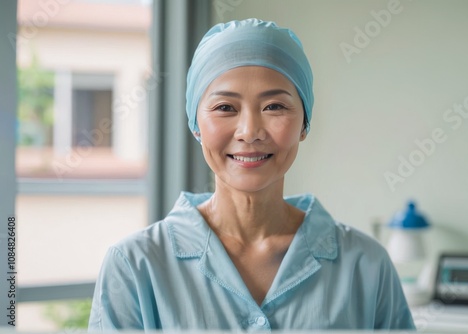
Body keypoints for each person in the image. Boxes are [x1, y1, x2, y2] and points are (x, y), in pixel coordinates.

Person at [88, 18, 415, 331]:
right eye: (225, 108)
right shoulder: (134, 266)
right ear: (195, 125)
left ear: (304, 123)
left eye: (274, 106)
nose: (249, 132)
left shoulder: (366, 266)